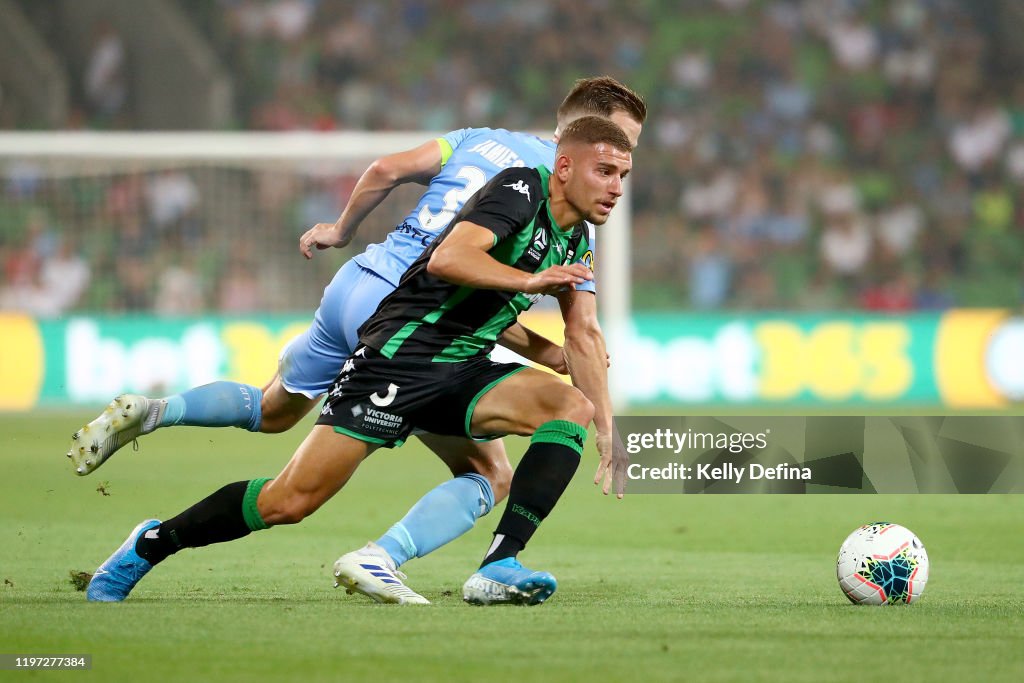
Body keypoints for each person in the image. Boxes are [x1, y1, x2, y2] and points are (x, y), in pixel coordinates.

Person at [72, 76, 645, 603]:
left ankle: (497, 565)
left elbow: (585, 334)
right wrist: (528, 282)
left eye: (625, 170)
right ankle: (152, 542)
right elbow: (450, 257)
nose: (618, 183)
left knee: (568, 407)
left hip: (458, 359)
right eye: (607, 168)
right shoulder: (521, 184)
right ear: (566, 160)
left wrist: (607, 431)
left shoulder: (574, 236)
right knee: (287, 502)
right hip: (397, 353)